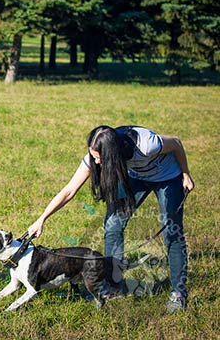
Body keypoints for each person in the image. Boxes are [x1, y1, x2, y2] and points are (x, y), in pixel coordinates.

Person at [27, 125, 194, 314]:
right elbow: (69, 190)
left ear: (112, 153)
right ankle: (112, 286)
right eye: (93, 155)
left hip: (167, 176)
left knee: (171, 233)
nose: (96, 162)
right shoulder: (96, 156)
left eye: (99, 157)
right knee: (113, 224)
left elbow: (177, 143)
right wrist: (42, 219)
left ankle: (178, 293)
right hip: (133, 176)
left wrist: (186, 174)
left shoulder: (146, 145)